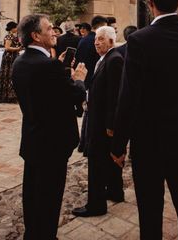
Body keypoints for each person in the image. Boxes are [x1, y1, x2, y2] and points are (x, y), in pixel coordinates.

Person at [111, 0, 178, 239]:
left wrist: (118, 144)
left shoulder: (139, 40)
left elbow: (128, 97)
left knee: (150, 209)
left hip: (148, 140)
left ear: (150, 2)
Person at [12, 14, 87, 240]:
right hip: (53, 144)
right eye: (49, 29)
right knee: (50, 199)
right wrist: (79, 79)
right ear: (36, 35)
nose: (54, 32)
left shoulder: (21, 62)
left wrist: (61, 67)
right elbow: (72, 94)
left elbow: (48, 93)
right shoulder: (48, 66)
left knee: (33, 196)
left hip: (33, 139)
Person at [72, 26, 124, 217]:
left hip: (103, 122)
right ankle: (115, 191)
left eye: (101, 39)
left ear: (111, 41)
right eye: (96, 39)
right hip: (99, 118)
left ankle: (96, 204)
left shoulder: (115, 59)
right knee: (108, 159)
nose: (96, 42)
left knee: (96, 162)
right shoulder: (104, 59)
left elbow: (115, 96)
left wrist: (111, 125)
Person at [76, 15, 108, 154]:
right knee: (91, 115)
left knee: (87, 114)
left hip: (83, 78)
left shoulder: (83, 40)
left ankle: (84, 143)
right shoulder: (98, 41)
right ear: (100, 26)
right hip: (93, 80)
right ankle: (89, 144)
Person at [0, 21, 22, 103]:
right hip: (9, 58)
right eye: (16, 27)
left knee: (12, 76)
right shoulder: (9, 36)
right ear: (12, 28)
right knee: (8, 75)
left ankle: (12, 95)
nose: (17, 29)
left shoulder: (14, 36)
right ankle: (7, 95)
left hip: (14, 56)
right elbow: (7, 47)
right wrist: (17, 49)